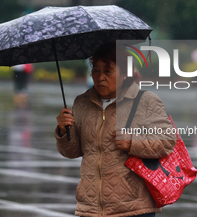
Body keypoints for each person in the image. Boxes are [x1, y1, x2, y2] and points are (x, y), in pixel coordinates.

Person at [55, 42, 176, 217]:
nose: (100, 77)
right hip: (90, 208)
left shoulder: (145, 101)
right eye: (96, 70)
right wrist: (64, 131)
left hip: (133, 208)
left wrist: (132, 142)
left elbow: (167, 142)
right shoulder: (82, 103)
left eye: (108, 71)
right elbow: (73, 152)